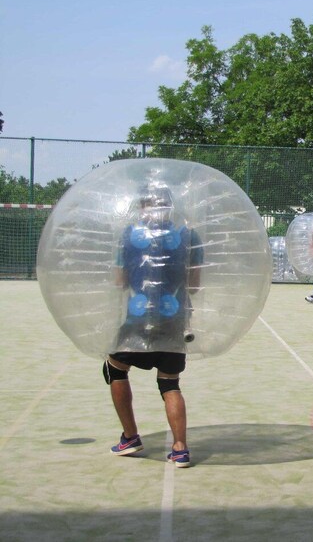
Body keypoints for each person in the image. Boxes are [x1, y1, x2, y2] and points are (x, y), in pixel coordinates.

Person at [103, 183, 203, 467]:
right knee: (169, 382)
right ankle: (180, 448)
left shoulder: (128, 235)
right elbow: (195, 287)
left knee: (115, 368)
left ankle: (131, 436)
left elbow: (120, 282)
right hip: (175, 320)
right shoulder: (189, 236)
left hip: (138, 318)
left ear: (142, 207)